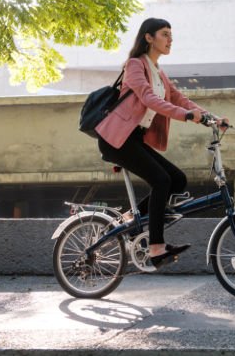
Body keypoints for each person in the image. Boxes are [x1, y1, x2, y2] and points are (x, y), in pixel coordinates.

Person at [95, 18, 226, 269]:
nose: (170, 40)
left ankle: (131, 218)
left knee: (177, 180)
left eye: (171, 35)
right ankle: (156, 247)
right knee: (161, 180)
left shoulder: (159, 72)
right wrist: (185, 116)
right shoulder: (135, 65)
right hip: (116, 139)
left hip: (132, 139)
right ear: (148, 37)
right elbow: (148, 98)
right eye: (165, 34)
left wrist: (213, 118)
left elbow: (180, 99)